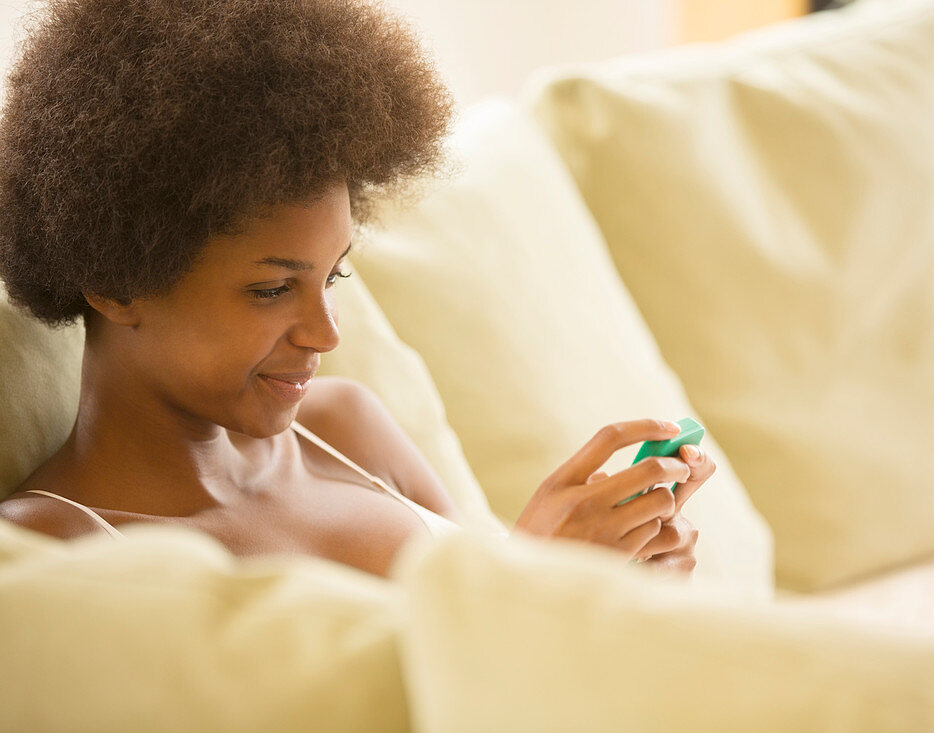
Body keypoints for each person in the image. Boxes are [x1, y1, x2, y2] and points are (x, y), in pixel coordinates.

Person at [0, 0, 712, 579]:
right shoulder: (54, 544)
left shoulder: (344, 429)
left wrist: (615, 587)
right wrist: (527, 580)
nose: (327, 333)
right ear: (118, 282)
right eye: (274, 288)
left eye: (333, 274)